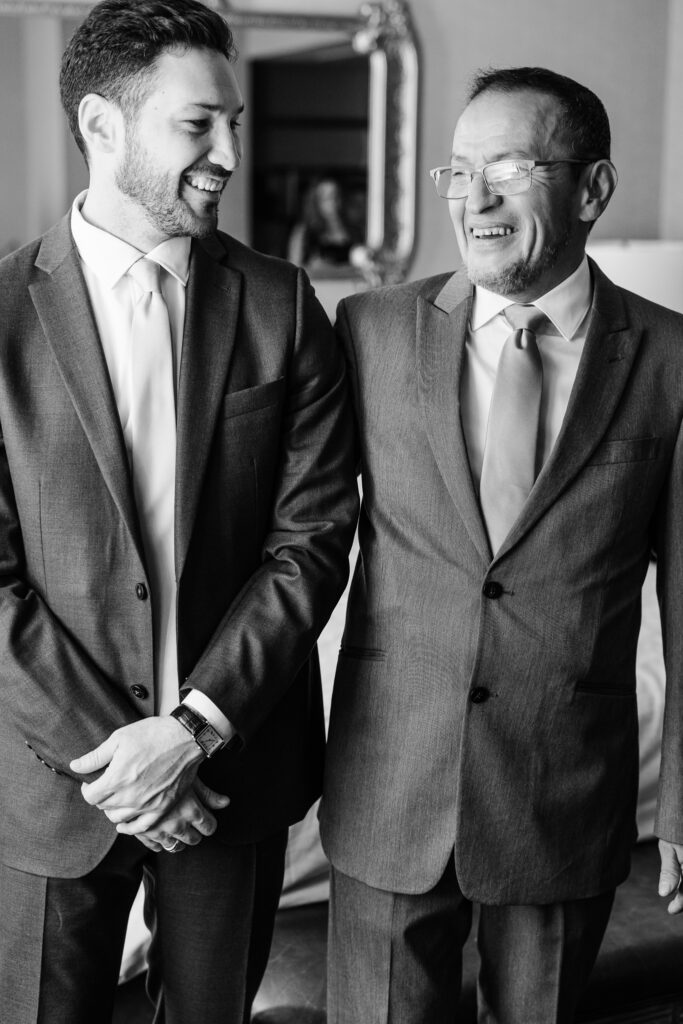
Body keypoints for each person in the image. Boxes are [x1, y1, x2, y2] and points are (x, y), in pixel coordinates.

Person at [0, 1, 357, 1022]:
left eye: (231, 122)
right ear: (101, 127)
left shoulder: (285, 306)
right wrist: (128, 757)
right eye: (197, 125)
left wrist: (190, 730)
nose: (230, 153)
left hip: (229, 770)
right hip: (47, 777)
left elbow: (312, 539)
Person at [319, 65, 683, 1023]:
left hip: (561, 795)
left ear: (591, 189)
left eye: (510, 168)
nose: (473, 199)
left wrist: (679, 801)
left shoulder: (671, 360)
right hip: (388, 783)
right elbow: (297, 540)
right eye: (456, 172)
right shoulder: (368, 330)